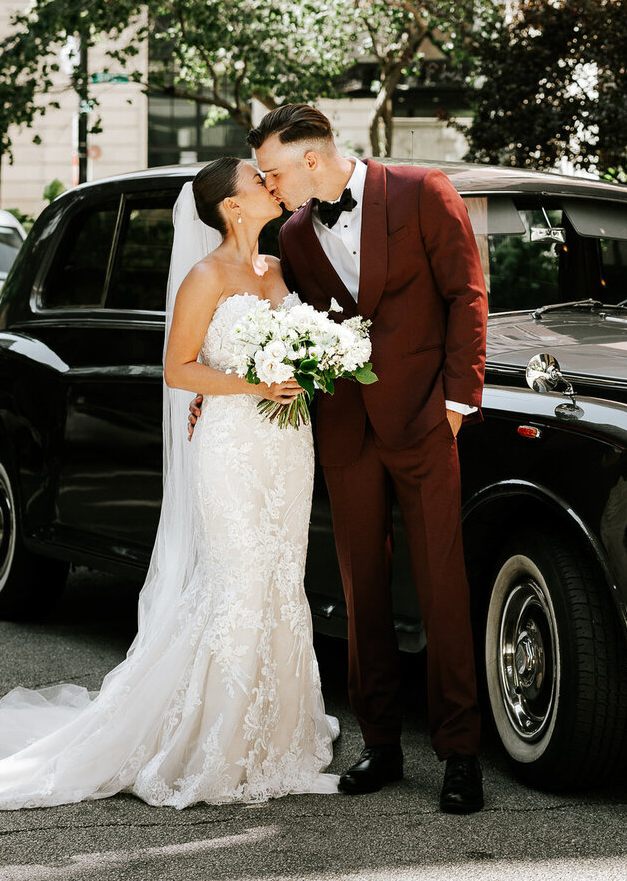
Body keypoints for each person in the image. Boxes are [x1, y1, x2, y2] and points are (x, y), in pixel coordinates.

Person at [0, 157, 340, 811]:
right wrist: (253, 385)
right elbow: (179, 370)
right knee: (238, 581)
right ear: (231, 206)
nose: (270, 184)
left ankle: (272, 740)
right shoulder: (204, 276)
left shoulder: (276, 272)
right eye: (256, 180)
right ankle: (211, 745)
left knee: (279, 579)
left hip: (285, 443)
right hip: (232, 446)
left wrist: (313, 365)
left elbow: (298, 346)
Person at [247, 103, 488, 817]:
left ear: (313, 160)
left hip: (425, 424)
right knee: (361, 592)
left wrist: (456, 406)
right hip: (348, 431)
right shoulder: (292, 233)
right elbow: (293, 325)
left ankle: (460, 753)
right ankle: (380, 742)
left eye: (275, 171)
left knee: (444, 588)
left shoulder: (423, 192)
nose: (271, 183)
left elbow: (466, 297)